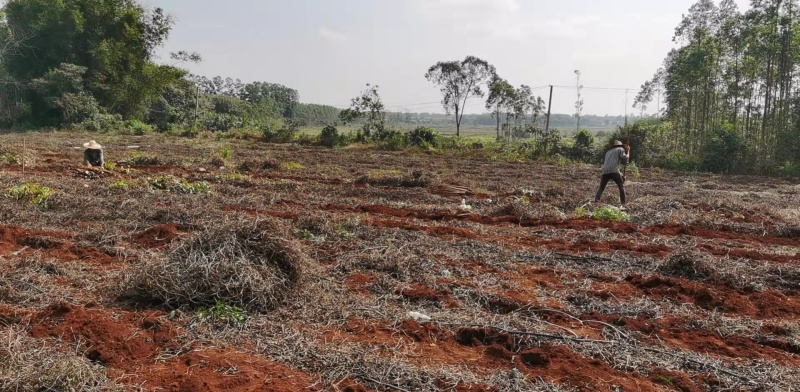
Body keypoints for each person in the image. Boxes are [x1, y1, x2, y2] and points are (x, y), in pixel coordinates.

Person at [594, 140, 630, 206]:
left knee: (601, 188)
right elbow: (625, 159)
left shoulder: (608, 152)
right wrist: (628, 152)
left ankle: (596, 202)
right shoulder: (620, 149)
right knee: (621, 186)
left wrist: (621, 175)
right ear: (620, 145)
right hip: (613, 170)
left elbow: (611, 165)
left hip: (605, 171)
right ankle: (623, 204)